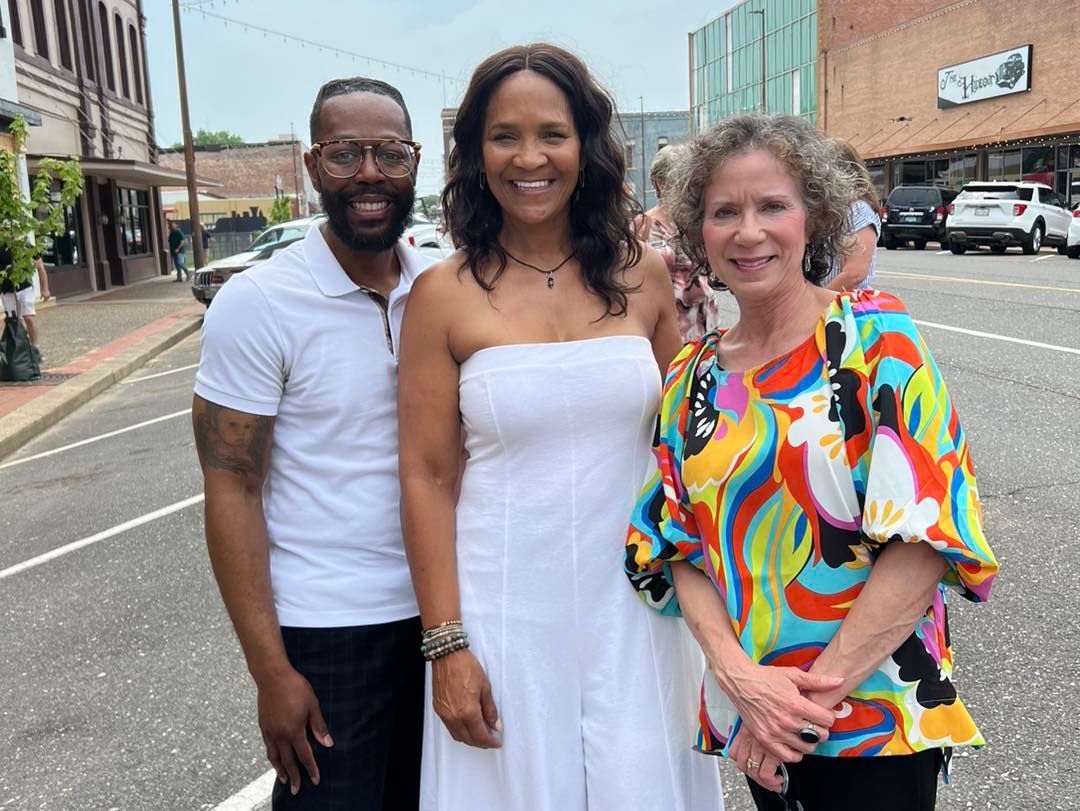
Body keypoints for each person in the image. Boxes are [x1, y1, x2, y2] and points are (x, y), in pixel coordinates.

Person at [625, 113, 998, 811]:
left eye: (773, 206)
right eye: (723, 211)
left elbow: (925, 541)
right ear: (697, 231)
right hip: (755, 715)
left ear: (813, 217)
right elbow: (672, 545)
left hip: (871, 719)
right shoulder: (691, 373)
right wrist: (742, 683)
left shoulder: (877, 340)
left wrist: (795, 709)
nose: (748, 231)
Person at [398, 43, 722, 811]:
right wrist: (446, 644)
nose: (529, 157)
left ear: (587, 146)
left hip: (637, 605)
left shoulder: (644, 275)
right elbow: (426, 475)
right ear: (477, 153)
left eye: (552, 132)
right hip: (504, 606)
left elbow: (682, 450)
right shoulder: (442, 295)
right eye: (504, 135)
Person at [192, 77, 431, 809]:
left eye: (389, 152)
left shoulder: (441, 286)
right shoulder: (259, 302)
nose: (368, 172)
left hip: (447, 615)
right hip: (330, 632)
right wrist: (271, 672)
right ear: (310, 166)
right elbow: (231, 487)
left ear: (415, 163)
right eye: (344, 153)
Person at [634, 144, 719, 340]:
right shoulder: (642, 225)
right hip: (669, 321)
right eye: (680, 180)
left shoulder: (699, 222)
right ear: (660, 184)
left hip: (705, 316)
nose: (688, 187)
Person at [822, 140, 881, 291]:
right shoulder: (830, 208)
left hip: (845, 307)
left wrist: (817, 305)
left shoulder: (857, 209)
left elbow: (854, 274)